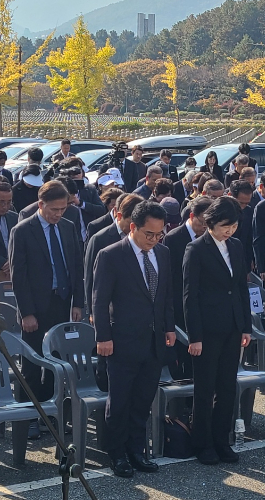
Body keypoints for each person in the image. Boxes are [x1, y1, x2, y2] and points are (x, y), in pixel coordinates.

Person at [93, 200, 176, 477]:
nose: (153, 239)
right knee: (119, 402)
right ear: (133, 227)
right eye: (148, 234)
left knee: (142, 400)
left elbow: (165, 296)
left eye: (158, 234)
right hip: (122, 340)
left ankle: (136, 451)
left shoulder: (162, 253)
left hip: (153, 341)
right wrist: (103, 337)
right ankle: (117, 454)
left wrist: (169, 327)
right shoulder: (111, 255)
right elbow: (99, 300)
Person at [9, 181, 84, 438]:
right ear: (41, 205)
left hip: (62, 302)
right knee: (30, 365)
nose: (59, 214)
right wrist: (26, 312)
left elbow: (76, 266)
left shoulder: (68, 226)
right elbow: (18, 276)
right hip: (35, 307)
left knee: (58, 361)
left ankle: (52, 416)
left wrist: (78, 302)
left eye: (63, 208)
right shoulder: (23, 230)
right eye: (54, 209)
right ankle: (27, 417)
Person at [182, 197, 252, 465]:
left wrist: (246, 326)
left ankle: (222, 441)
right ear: (210, 223)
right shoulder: (196, 249)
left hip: (233, 326)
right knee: (204, 388)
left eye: (233, 226)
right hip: (208, 329)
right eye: (225, 226)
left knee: (227, 387)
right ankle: (203, 443)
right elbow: (190, 296)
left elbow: (242, 289)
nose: (229, 231)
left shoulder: (235, 246)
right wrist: (194, 336)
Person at [85, 194, 144, 317]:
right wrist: (92, 312)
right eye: (130, 223)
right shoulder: (100, 239)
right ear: (119, 216)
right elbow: (90, 278)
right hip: (111, 308)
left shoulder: (142, 237)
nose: (133, 228)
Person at [163, 197, 212, 335]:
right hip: (181, 301)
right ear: (192, 216)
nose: (205, 227)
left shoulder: (210, 237)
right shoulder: (173, 238)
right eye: (202, 222)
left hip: (205, 303)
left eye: (209, 224)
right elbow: (171, 274)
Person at [60, 159, 106, 225]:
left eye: (78, 171)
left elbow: (101, 210)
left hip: (88, 231)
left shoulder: (90, 189)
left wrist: (81, 203)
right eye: (72, 172)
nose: (75, 174)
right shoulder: (61, 190)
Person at [229, 180, 255, 271]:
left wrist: (248, 265)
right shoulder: (220, 212)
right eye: (240, 203)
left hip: (241, 260)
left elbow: (248, 239)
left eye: (246, 203)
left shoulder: (249, 211)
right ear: (230, 195)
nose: (243, 207)